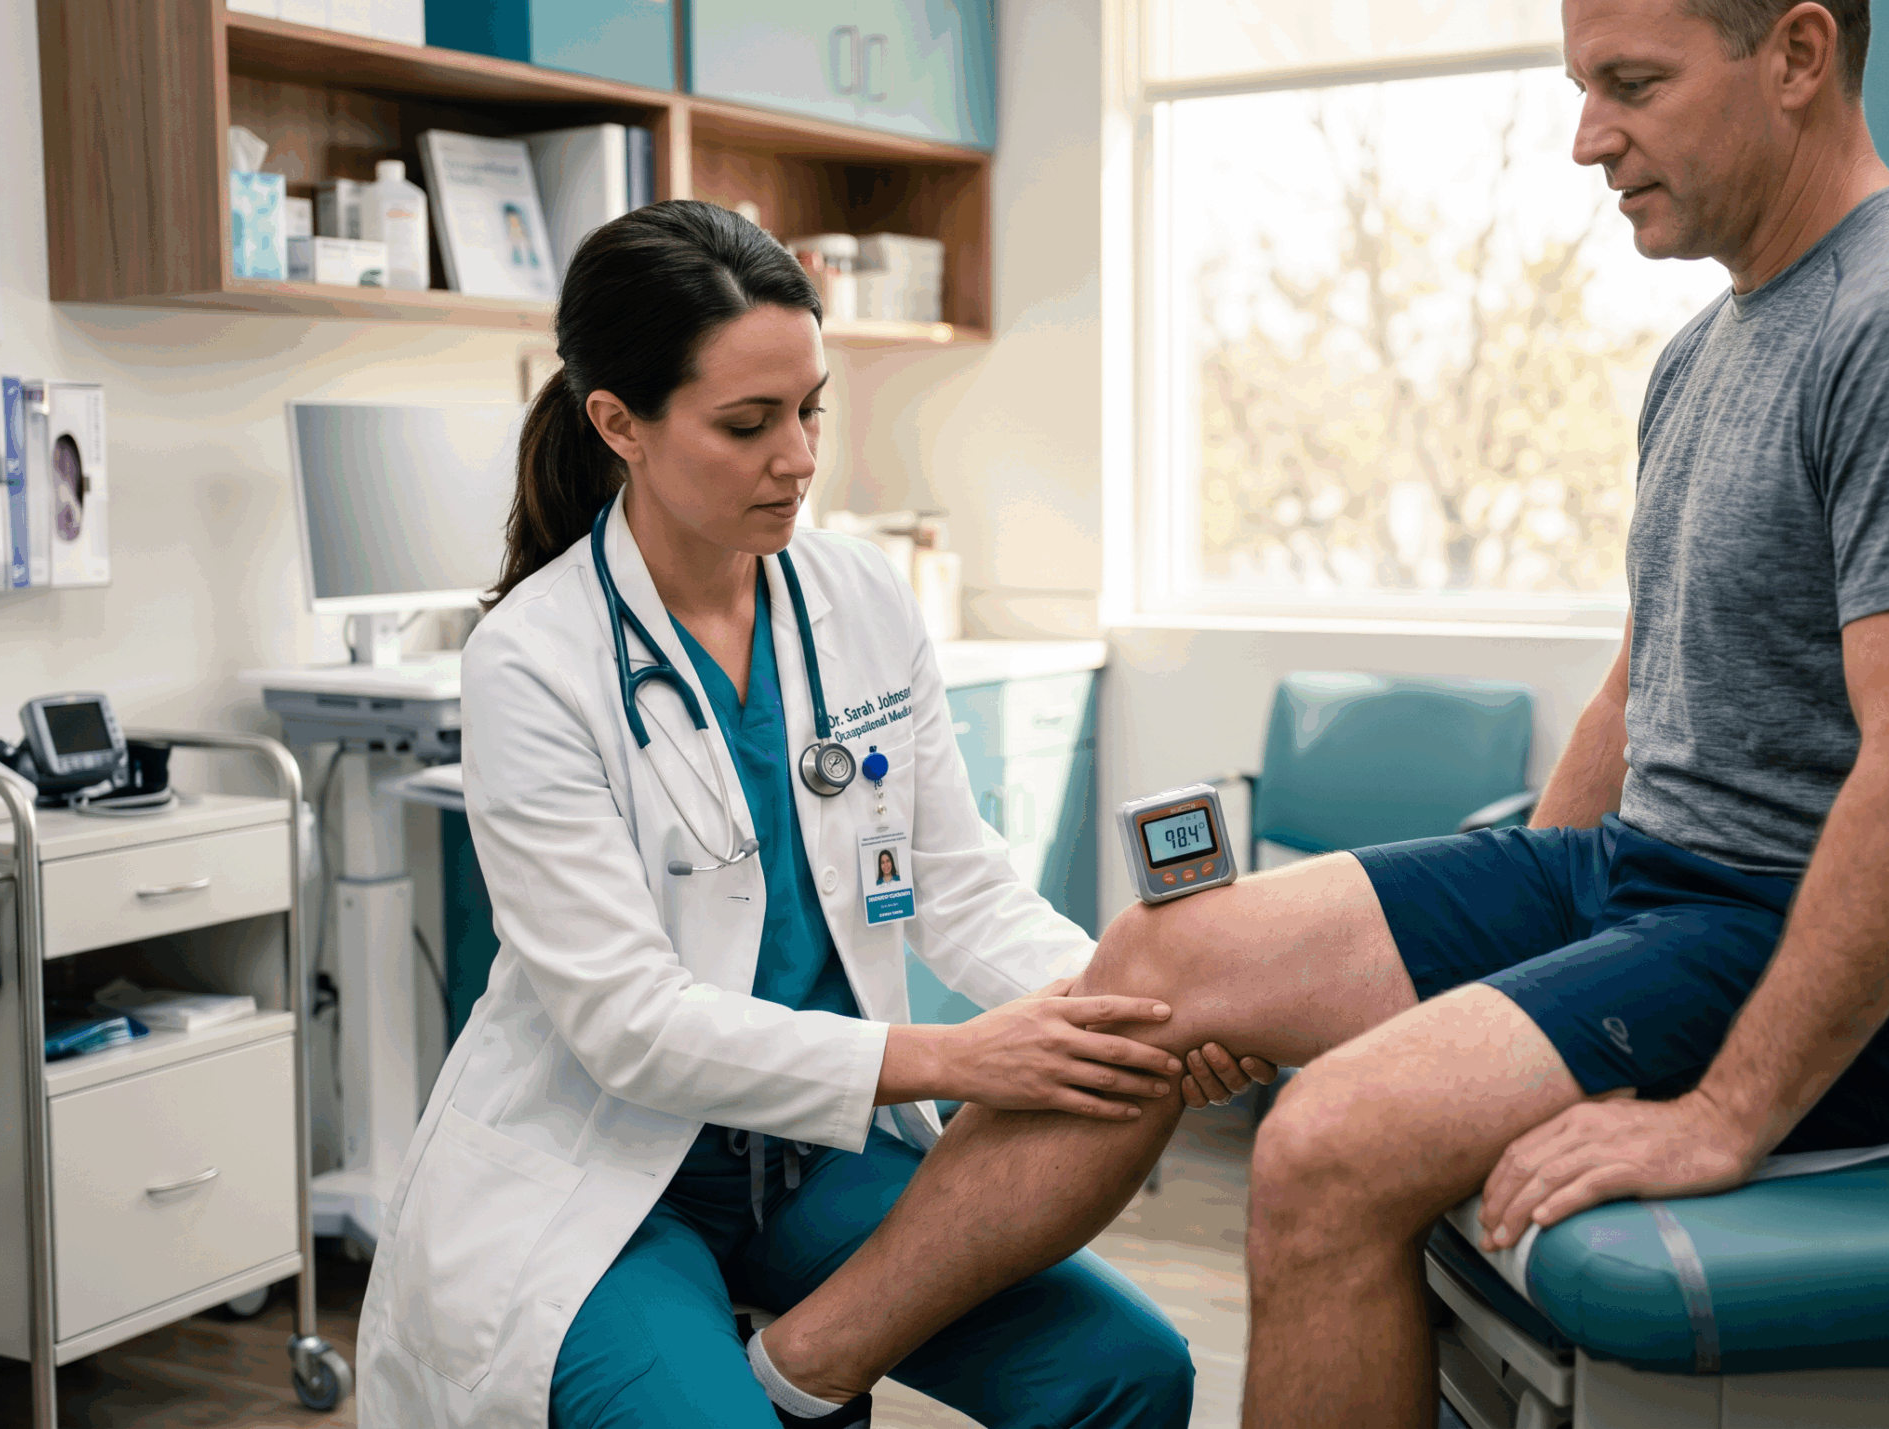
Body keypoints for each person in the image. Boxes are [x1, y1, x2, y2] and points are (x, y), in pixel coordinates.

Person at [743, 2, 1889, 1425]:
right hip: (1661, 883)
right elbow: (1642, 695)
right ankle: (800, 1375)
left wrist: (1725, 1113)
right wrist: (1509, 953)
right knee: (1158, 959)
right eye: (1583, 86)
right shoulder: (1705, 357)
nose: (1588, 138)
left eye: (1632, 85)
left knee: (1326, 1143)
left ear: (1800, 57)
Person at [355, 201, 1274, 1429]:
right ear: (619, 423)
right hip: (615, 1177)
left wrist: (1145, 1009)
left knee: (1127, 1371)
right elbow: (628, 1025)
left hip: (813, 1159)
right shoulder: (533, 658)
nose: (798, 458)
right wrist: (956, 1054)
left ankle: (799, 1367)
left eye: (810, 409)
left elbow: (960, 884)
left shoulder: (855, 598)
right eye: (748, 424)